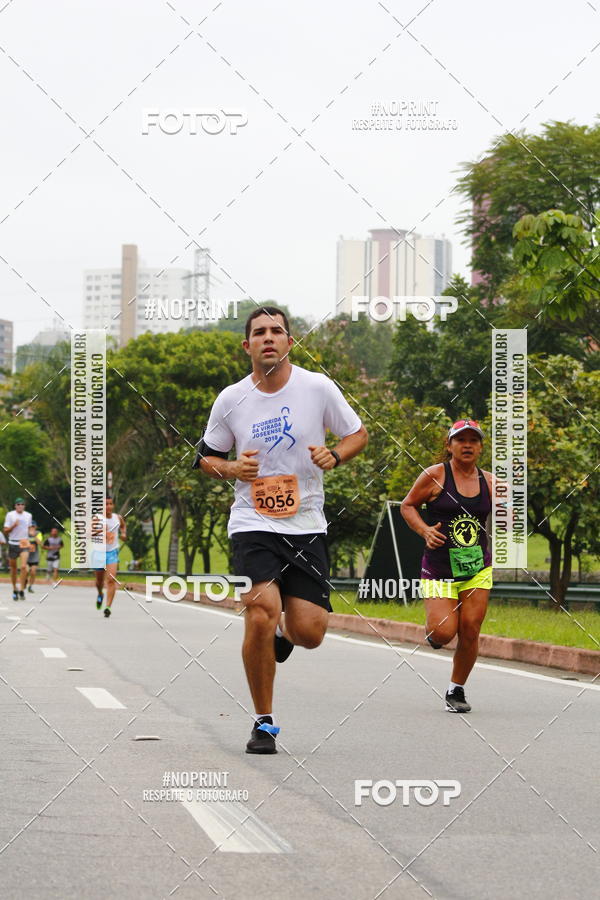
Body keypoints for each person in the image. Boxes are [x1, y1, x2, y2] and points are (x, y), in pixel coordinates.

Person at [196, 306, 368, 754]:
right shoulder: (230, 399)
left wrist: (336, 454)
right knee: (259, 610)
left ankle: (282, 636)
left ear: (289, 341)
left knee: (310, 633)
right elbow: (205, 458)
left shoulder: (316, 387)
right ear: (247, 345)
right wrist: (232, 467)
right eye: (259, 332)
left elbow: (357, 434)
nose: (268, 338)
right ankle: (264, 721)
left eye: (277, 331)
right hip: (253, 523)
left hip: (307, 524)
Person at [401, 419, 493, 714]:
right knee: (444, 633)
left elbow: (508, 517)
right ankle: (434, 632)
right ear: (449, 445)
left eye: (473, 440)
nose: (467, 445)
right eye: (460, 440)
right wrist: (425, 531)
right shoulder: (435, 476)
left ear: (480, 447)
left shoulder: (491, 483)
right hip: (439, 567)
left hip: (477, 567)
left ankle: (456, 688)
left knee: (470, 628)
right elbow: (408, 506)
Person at [92, 496, 126, 618]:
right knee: (99, 581)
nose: (109, 506)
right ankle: (100, 593)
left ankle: (108, 607)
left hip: (112, 552)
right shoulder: (97, 518)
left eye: (110, 504)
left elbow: (122, 526)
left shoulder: (118, 518)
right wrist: (100, 531)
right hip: (98, 552)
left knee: (111, 580)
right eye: (106, 504)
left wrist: (123, 534)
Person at [3, 498, 33, 600]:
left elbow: (29, 530)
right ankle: (14, 588)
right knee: (14, 569)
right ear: (15, 506)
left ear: (24, 506)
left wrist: (32, 534)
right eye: (18, 504)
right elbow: (6, 531)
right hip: (13, 543)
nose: (20, 506)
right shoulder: (10, 515)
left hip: (24, 542)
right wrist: (13, 525)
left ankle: (21, 589)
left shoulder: (28, 515)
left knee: (24, 567)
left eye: (22, 504)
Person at [26, 523, 43, 593]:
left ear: (35, 527)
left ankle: (30, 586)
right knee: (26, 571)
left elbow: (40, 543)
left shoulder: (38, 533)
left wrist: (34, 535)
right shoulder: (24, 533)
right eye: (30, 527)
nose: (32, 528)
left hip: (34, 557)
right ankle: (25, 581)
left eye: (33, 527)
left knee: (33, 572)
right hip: (26, 556)